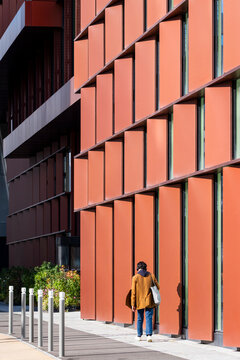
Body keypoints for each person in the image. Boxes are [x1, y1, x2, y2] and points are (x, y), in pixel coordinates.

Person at [131, 261, 160, 342]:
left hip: (139, 302)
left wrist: (133, 304)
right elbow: (158, 287)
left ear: (138, 268)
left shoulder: (135, 277)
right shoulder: (151, 275)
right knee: (149, 318)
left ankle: (139, 336)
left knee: (139, 318)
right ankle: (149, 336)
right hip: (149, 301)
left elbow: (133, 292)